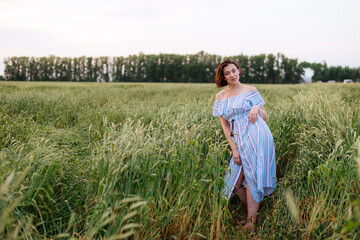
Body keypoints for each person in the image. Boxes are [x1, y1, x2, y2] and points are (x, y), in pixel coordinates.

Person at [212, 59, 276, 230]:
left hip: (257, 134)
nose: (232, 75)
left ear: (239, 71)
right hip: (239, 138)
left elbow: (264, 116)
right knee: (233, 181)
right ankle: (255, 212)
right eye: (227, 73)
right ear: (223, 77)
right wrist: (234, 148)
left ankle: (251, 222)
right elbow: (225, 125)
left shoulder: (250, 90)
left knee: (252, 177)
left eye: (234, 70)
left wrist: (256, 107)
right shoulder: (221, 96)